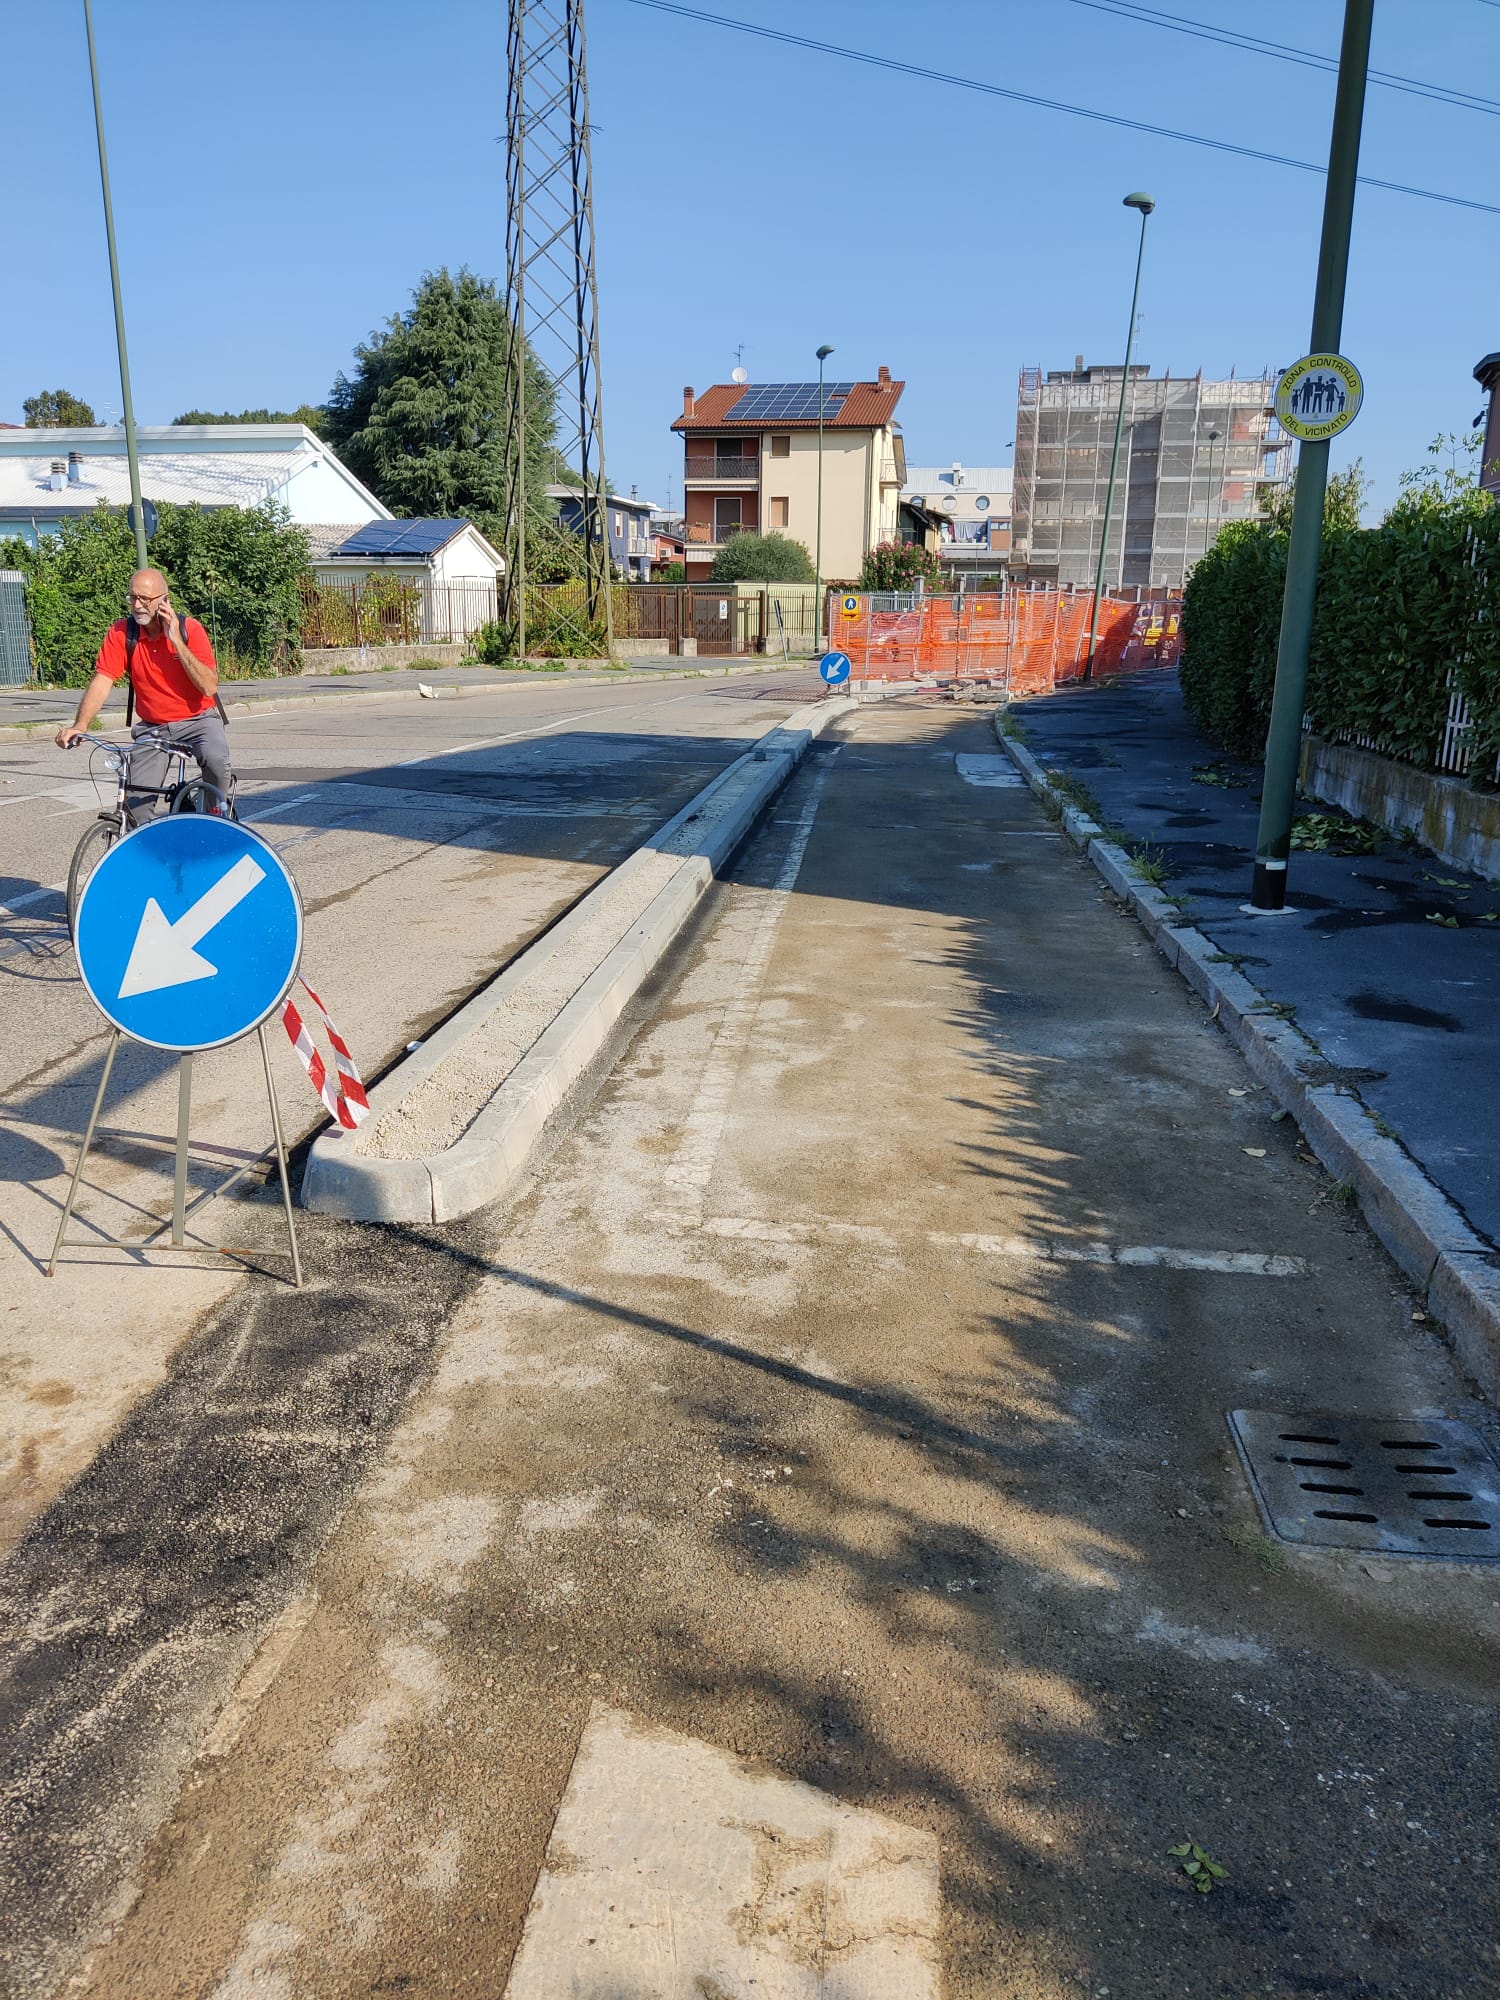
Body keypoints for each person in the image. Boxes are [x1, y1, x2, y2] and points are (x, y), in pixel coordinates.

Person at [55, 568, 233, 814]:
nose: (137, 605)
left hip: (198, 721)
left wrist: (176, 642)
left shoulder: (189, 630)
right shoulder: (122, 633)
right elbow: (102, 680)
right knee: (136, 803)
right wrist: (81, 726)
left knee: (215, 761)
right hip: (154, 727)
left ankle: (216, 821)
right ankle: (152, 848)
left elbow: (209, 686)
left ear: (165, 600)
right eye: (132, 597)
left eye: (145, 599)